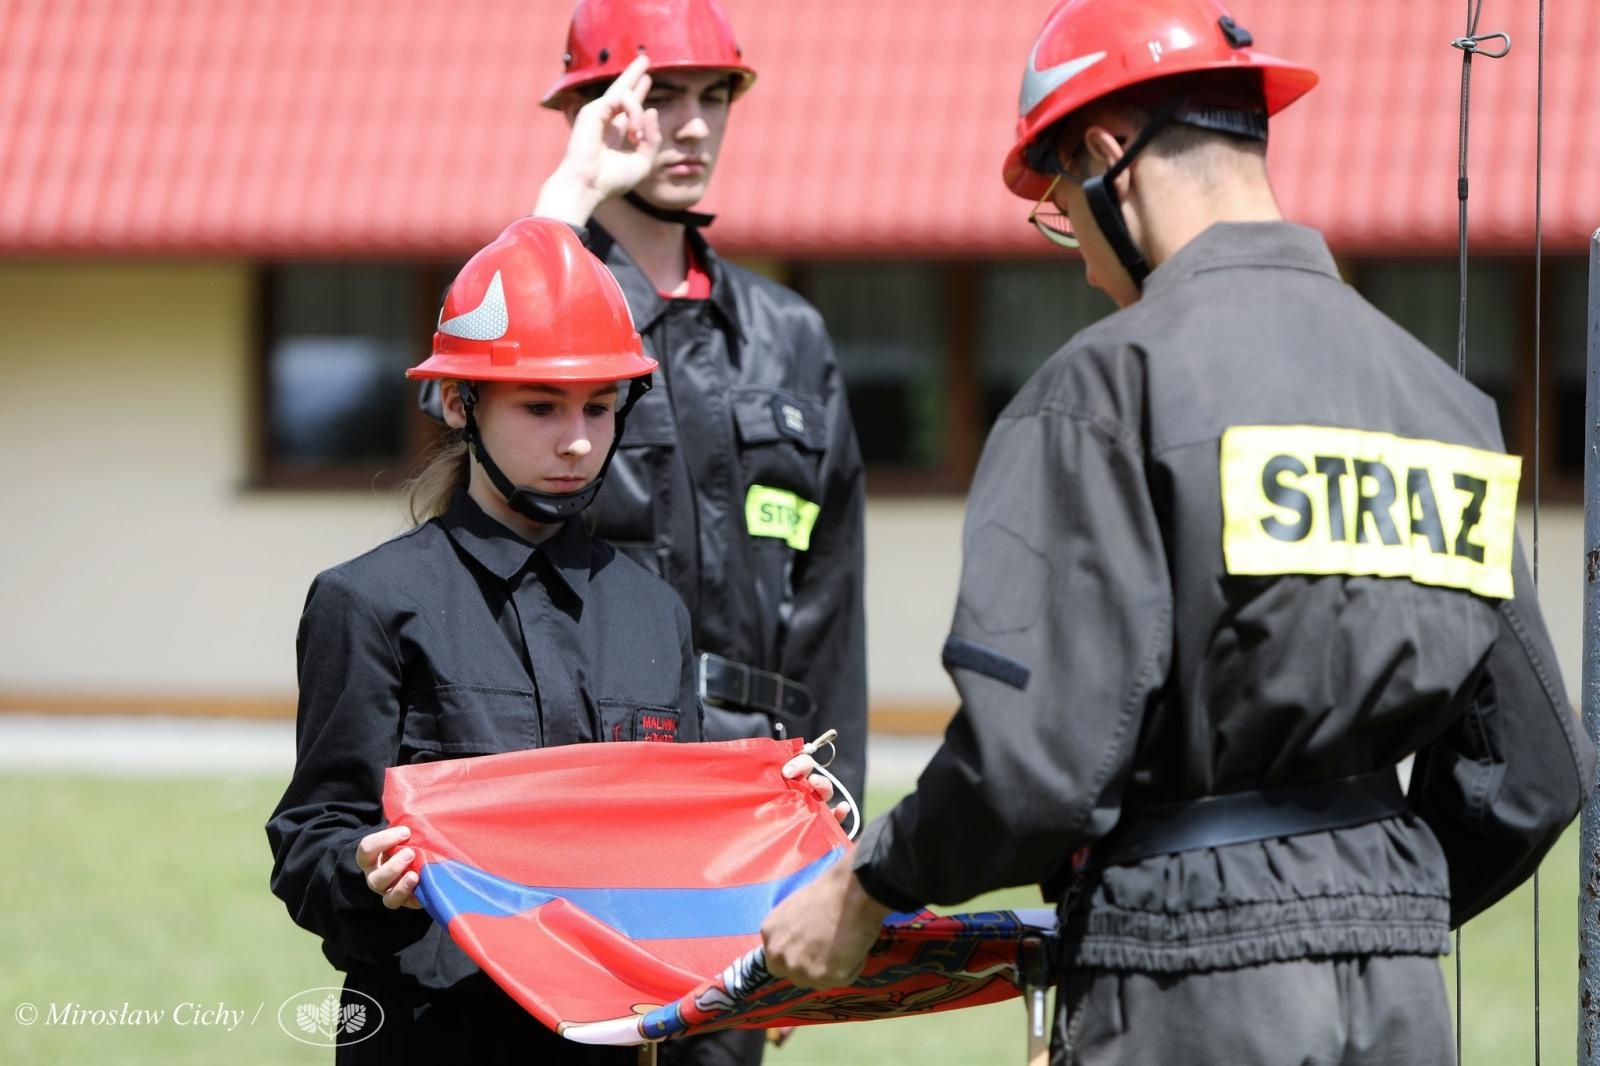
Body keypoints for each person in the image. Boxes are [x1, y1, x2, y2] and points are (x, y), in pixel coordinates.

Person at [760, 2, 1595, 1063]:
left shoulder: (1103, 391)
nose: (1076, 256)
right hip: (1400, 996)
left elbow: (1031, 769)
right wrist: (1370, 897)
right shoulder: (1442, 404)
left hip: (1180, 974)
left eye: (1062, 203)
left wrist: (868, 883)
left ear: (1108, 154)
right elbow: (1532, 772)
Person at [266, 217, 834, 1065]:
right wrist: (366, 874)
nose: (576, 440)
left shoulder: (654, 613)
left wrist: (763, 831)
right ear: (461, 403)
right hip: (434, 1035)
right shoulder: (369, 602)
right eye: (540, 406)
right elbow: (311, 842)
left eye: (599, 407)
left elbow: (669, 855)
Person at [533, 0, 868, 809]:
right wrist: (568, 201)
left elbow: (831, 601)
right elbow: (455, 410)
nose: (692, 126)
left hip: (764, 780)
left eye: (712, 96)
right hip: (588, 774)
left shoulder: (788, 333)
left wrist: (837, 817)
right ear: (590, 113)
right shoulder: (546, 300)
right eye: (660, 97)